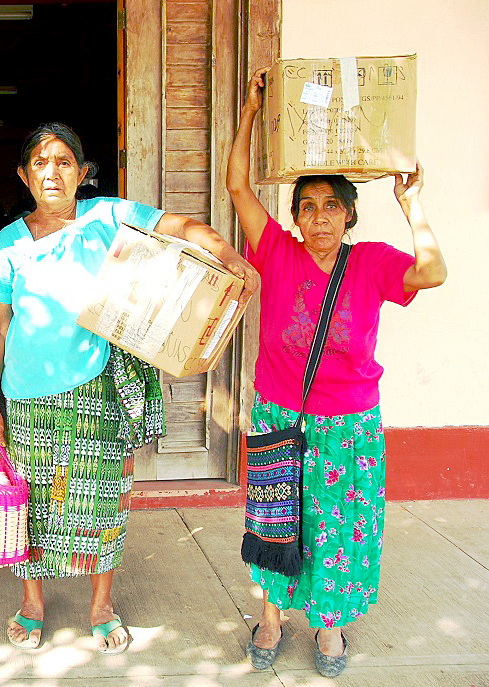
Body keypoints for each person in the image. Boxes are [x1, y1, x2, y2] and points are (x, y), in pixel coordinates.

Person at [0, 122, 260, 654]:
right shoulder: (9, 243)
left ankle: (101, 604)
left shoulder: (107, 217)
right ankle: (32, 602)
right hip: (25, 396)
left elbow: (178, 226)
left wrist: (226, 252)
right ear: (23, 175)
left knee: (102, 503)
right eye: (41, 163)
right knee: (31, 507)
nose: (52, 173)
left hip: (97, 390)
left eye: (64, 162)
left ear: (82, 172)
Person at [226, 68, 447, 677]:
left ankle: (330, 629)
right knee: (276, 523)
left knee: (340, 532)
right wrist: (250, 110)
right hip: (279, 414)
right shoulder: (275, 250)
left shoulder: (373, 263)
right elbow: (239, 187)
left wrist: (413, 203)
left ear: (349, 215)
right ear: (294, 217)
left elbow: (431, 272)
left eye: (331, 207)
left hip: (349, 426)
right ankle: (271, 618)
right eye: (307, 207)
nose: (318, 217)